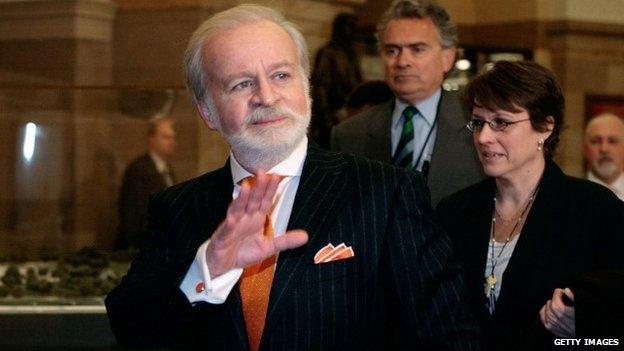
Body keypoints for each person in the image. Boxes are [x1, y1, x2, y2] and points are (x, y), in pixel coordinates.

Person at [105, 5, 479, 350]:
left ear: (306, 87)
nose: (266, 96)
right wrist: (209, 270)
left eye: (281, 75)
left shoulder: (385, 192)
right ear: (207, 111)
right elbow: (133, 329)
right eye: (241, 84)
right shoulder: (177, 208)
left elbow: (445, 336)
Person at [435, 61, 624, 350]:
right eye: (478, 122)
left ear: (545, 127)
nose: (484, 137)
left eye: (501, 122)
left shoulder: (595, 210)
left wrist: (584, 328)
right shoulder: (455, 211)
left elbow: (612, 333)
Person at [331, 0, 482, 206]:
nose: (402, 62)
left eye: (417, 49)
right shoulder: (348, 135)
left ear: (448, 58)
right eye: (392, 51)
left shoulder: (478, 128)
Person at [115, 116, 176, 250]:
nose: (172, 142)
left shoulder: (168, 169)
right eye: (166, 137)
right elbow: (132, 213)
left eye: (173, 137)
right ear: (152, 140)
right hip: (142, 246)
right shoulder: (138, 169)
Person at [310, 13, 363, 149]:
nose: (352, 30)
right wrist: (327, 122)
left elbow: (358, 83)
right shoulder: (328, 52)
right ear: (339, 28)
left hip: (351, 115)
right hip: (333, 117)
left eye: (354, 26)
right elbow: (320, 89)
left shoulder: (351, 53)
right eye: (348, 26)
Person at [583, 112, 624, 201]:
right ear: (585, 149)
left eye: (612, 141)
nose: (604, 149)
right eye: (596, 141)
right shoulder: (567, 195)